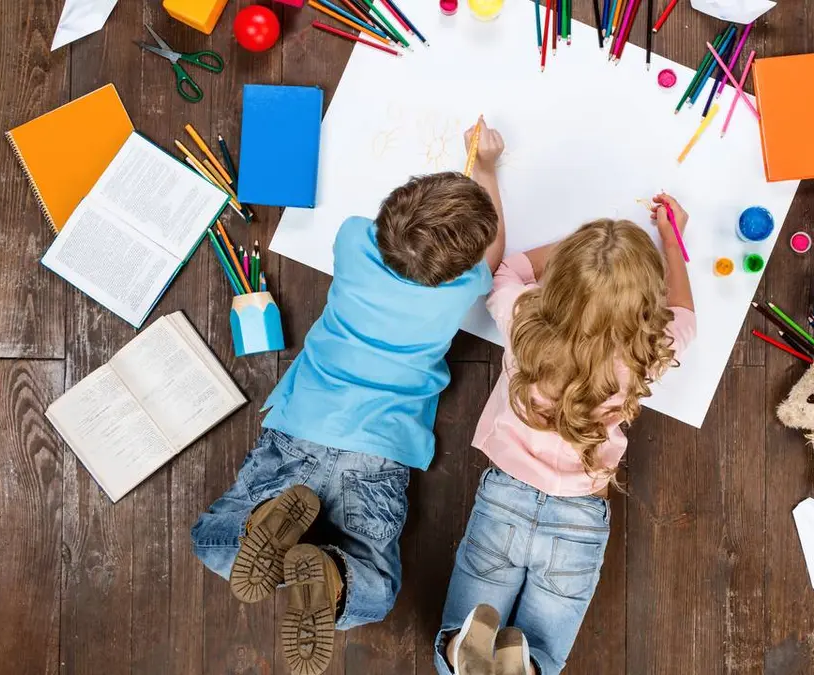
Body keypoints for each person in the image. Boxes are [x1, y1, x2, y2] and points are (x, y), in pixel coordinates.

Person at [190, 121, 507, 675]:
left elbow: (421, 232)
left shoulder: (354, 238)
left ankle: (278, 529)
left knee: (216, 544)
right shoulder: (464, 287)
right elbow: (495, 254)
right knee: (372, 588)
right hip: (378, 453)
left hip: (302, 426)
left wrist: (461, 178)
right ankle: (327, 573)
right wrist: (485, 168)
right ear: (458, 271)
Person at [434, 196, 697, 675]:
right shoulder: (648, 351)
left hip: (505, 502)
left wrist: (583, 252)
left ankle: (462, 649)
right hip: (579, 516)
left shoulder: (524, 323)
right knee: (544, 653)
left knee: (466, 627)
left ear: (560, 281)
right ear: (642, 304)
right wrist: (670, 239)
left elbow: (507, 271)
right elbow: (684, 311)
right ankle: (518, 667)